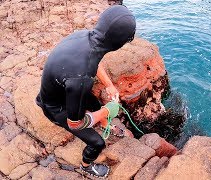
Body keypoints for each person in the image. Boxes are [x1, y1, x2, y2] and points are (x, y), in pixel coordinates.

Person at [35, 5, 136, 177]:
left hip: (59, 89)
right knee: (97, 143)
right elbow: (76, 123)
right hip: (55, 107)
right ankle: (86, 166)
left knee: (94, 103)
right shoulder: (81, 80)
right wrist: (107, 110)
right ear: (119, 44)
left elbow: (92, 61)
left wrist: (109, 85)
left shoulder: (83, 35)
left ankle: (105, 125)